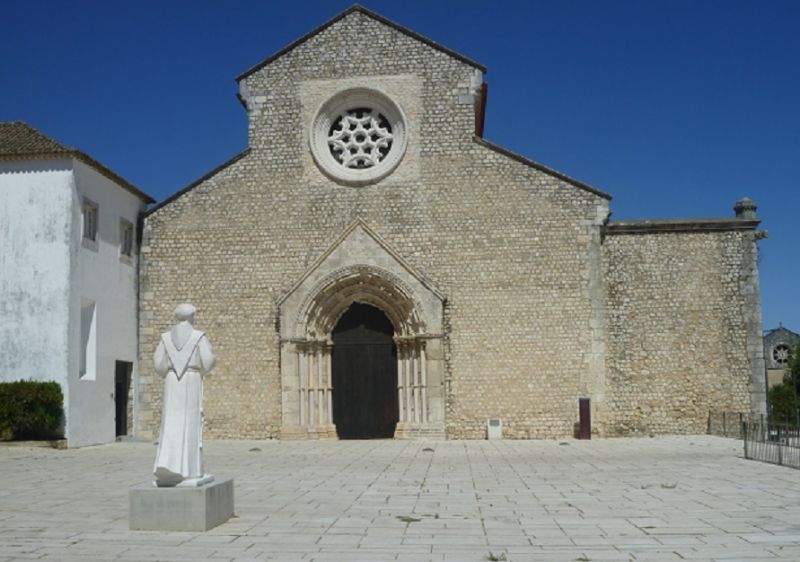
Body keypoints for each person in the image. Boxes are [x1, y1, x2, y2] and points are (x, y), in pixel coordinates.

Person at [152, 303, 216, 487]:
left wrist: (171, 370)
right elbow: (209, 362)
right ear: (192, 317)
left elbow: (159, 365)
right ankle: (189, 469)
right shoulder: (198, 337)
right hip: (191, 379)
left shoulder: (165, 338)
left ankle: (167, 463)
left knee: (171, 421)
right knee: (190, 423)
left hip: (172, 382)